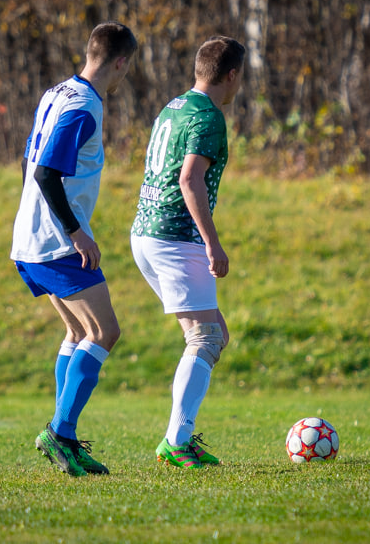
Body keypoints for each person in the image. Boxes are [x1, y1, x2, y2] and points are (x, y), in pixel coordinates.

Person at [10, 22, 137, 477]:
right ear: (120, 62)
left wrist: (32, 219)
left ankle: (65, 437)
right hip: (56, 243)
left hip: (30, 239)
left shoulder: (56, 92)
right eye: (128, 68)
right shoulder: (84, 105)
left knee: (77, 335)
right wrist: (74, 231)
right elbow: (45, 172)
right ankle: (61, 433)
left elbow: (26, 160)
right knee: (105, 333)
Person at [130, 36, 246, 469]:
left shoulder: (173, 106)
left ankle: (181, 435)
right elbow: (189, 179)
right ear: (231, 75)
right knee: (205, 337)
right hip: (175, 237)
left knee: (216, 335)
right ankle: (176, 442)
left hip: (145, 232)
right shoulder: (210, 117)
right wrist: (212, 243)